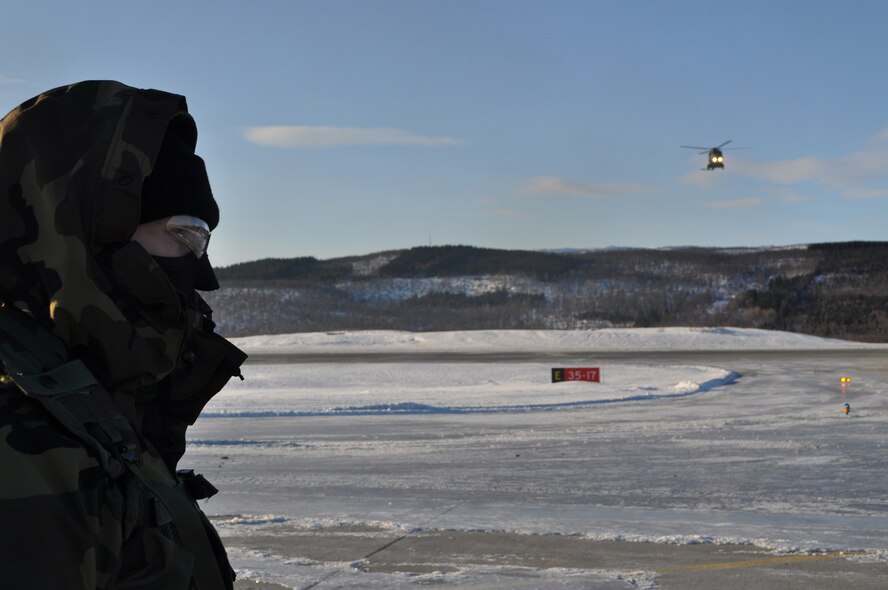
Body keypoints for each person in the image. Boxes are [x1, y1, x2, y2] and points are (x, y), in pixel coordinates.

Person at [0, 81, 247, 589]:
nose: (203, 273)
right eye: (184, 233)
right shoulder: (29, 448)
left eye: (203, 240)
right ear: (84, 233)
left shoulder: (96, 413)